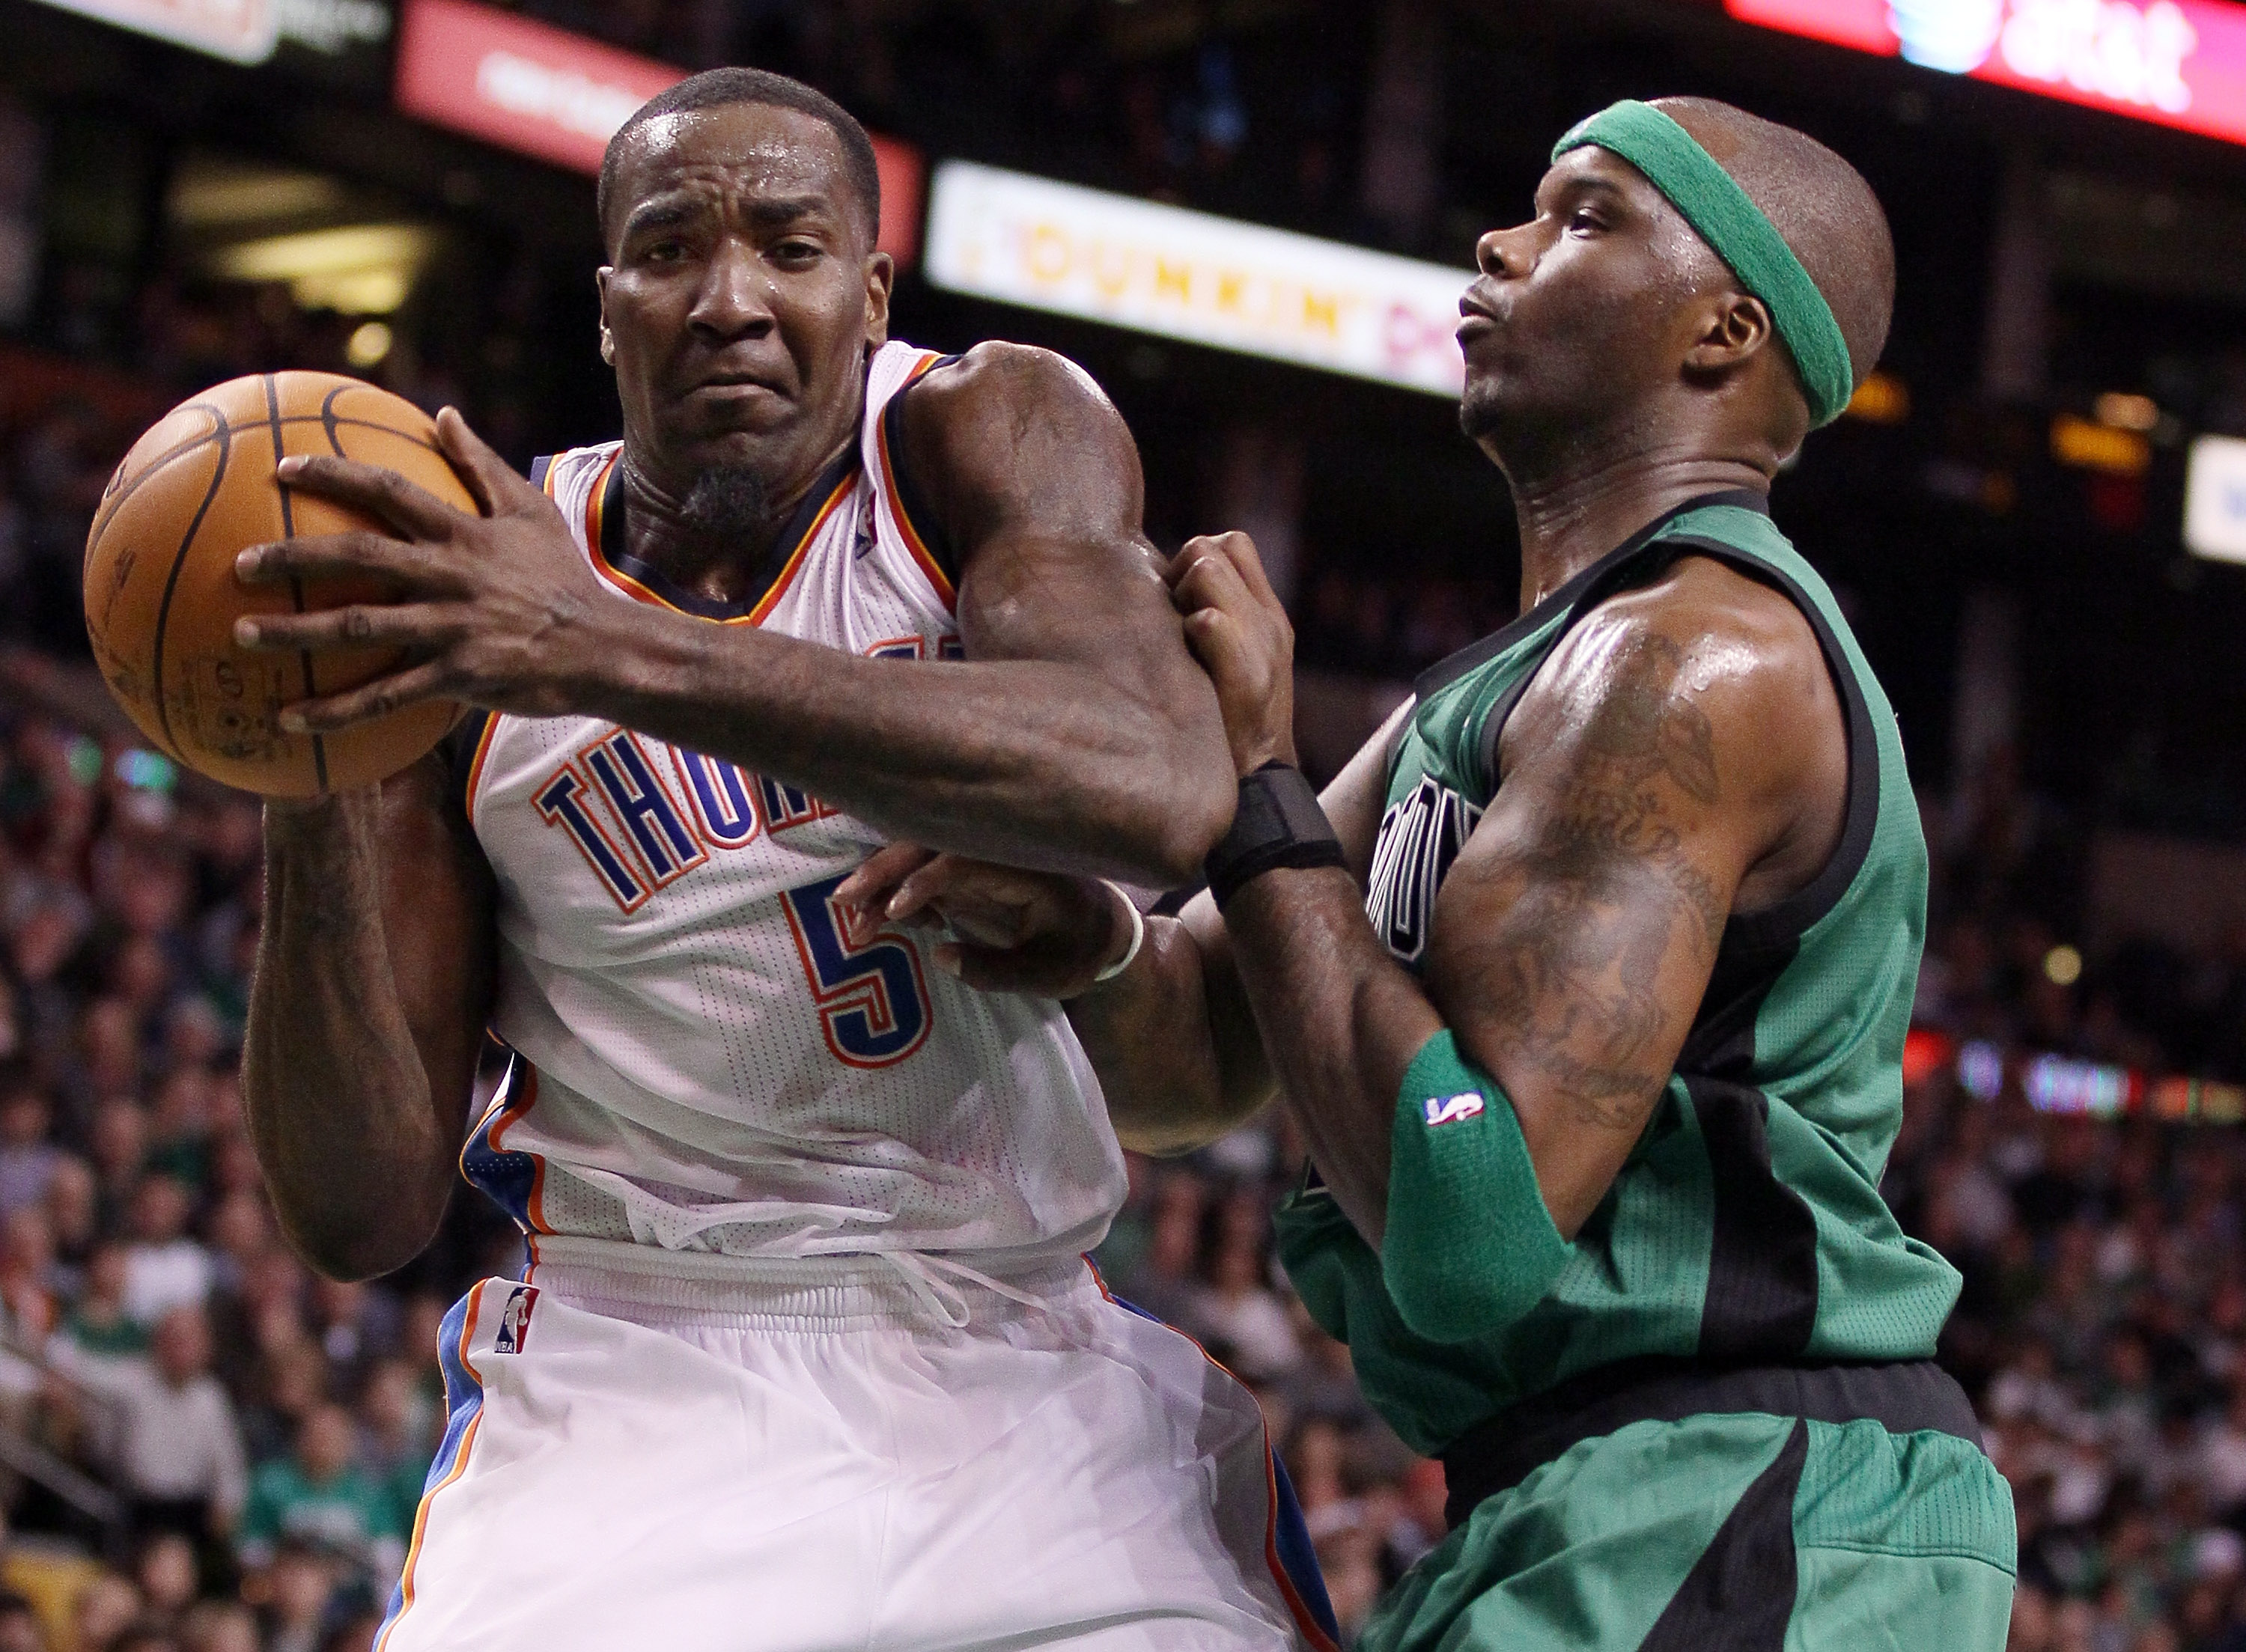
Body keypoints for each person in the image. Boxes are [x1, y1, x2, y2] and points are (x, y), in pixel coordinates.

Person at [845, 97, 2018, 1647]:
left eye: (1585, 218)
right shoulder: (1508, 686)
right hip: (1596, 1489)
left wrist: (1262, 780)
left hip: (1751, 1493)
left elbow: (1475, 1225)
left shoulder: (1689, 660)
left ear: (1725, 334)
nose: (1501, 241)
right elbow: (1205, 1044)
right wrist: (1087, 948)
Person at [233, 66, 1330, 1652]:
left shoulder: (982, 435)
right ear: (607, 307)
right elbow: (358, 1215)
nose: (731, 299)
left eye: (790, 248)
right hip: (642, 1366)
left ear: (874, 293)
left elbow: (1158, 783)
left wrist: (604, 651)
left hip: (1010, 1358)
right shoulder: (474, 606)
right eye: (671, 250)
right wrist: (308, 770)